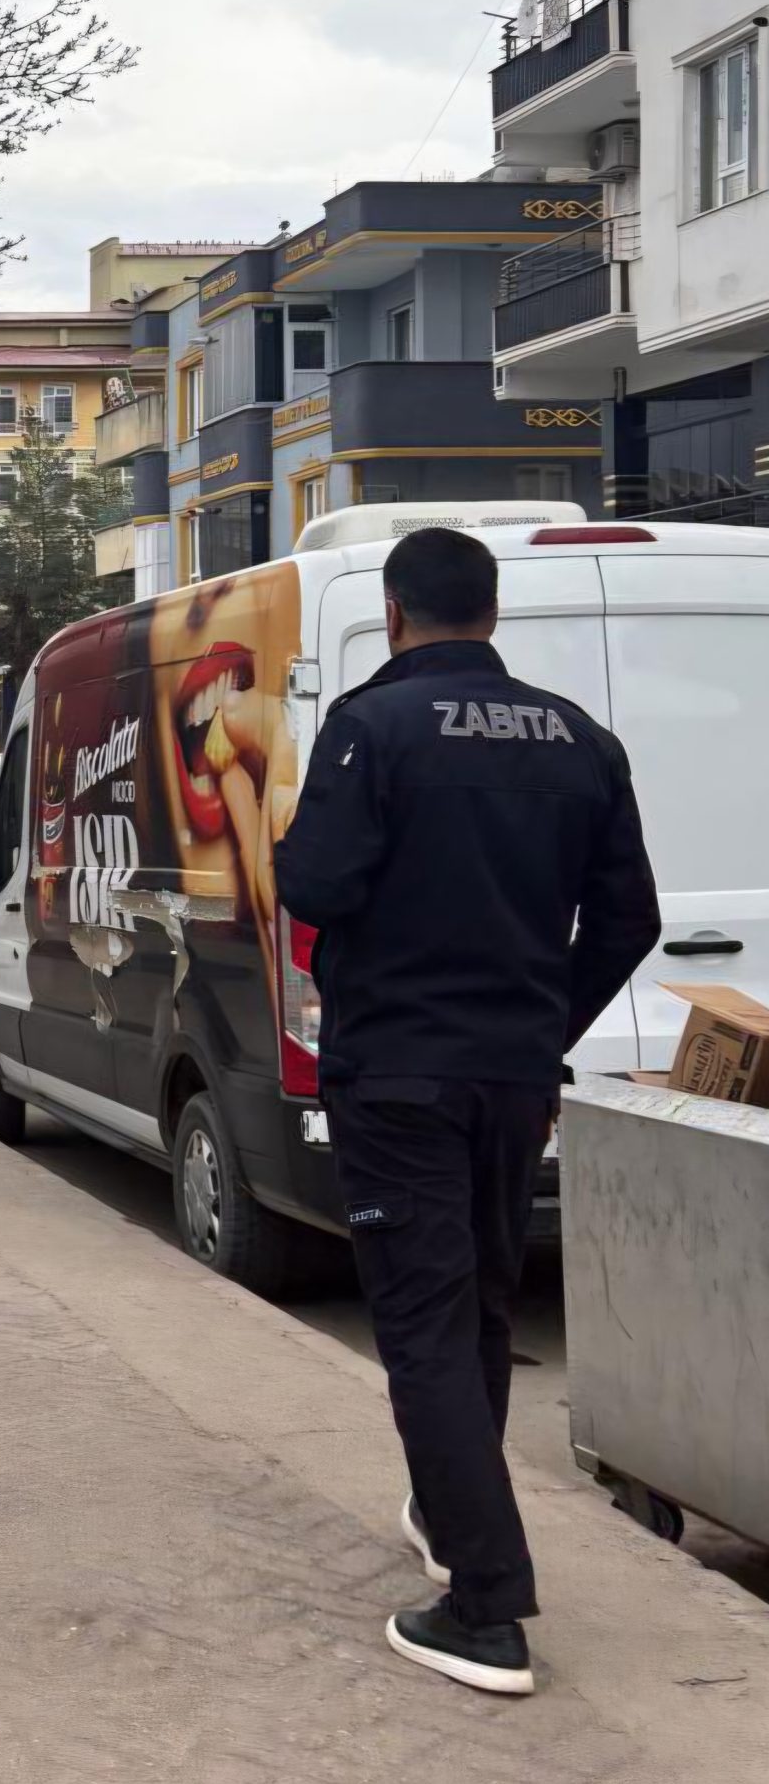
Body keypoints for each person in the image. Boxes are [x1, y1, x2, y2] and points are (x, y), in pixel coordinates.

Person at [274, 527, 660, 1697]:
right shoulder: (580, 740)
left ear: (394, 614)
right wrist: (543, 1022)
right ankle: (452, 1511)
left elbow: (316, 886)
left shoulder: (369, 728)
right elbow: (627, 918)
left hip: (399, 1071)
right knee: (481, 1307)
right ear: (488, 614)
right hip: (510, 1076)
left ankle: (485, 1605)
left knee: (424, 1326)